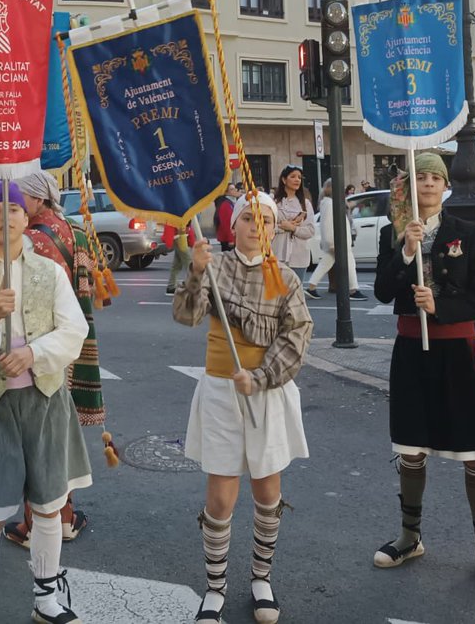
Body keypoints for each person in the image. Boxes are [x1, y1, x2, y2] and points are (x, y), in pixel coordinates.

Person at [371, 152, 475, 596]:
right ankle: (410, 537)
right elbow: (381, 291)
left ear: (445, 185)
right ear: (411, 187)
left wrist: (442, 307)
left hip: (458, 351)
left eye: (435, 176)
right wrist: (407, 252)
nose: (429, 184)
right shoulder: (392, 233)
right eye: (422, 177)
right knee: (411, 449)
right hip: (411, 351)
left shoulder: (466, 234)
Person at [0, 181, 91, 624]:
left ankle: (46, 598)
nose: (6, 218)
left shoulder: (50, 273)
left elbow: (74, 330)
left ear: (25, 217)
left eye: (13, 210)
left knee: (50, 509)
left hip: (46, 401)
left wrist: (33, 354)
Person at [173, 192, 312, 623]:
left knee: (268, 491)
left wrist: (262, 376)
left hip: (266, 392)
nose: (256, 227)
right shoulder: (214, 265)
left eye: (265, 221)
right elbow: (186, 315)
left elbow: (298, 335)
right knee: (220, 497)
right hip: (219, 390)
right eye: (248, 218)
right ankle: (215, 588)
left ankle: (261, 578)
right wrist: (195, 272)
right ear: (234, 225)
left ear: (274, 229)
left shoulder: (285, 277)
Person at [2, 171, 103, 549]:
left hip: (41, 345)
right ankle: (64, 516)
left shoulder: (30, 239)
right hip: (74, 340)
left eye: (18, 200)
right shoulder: (74, 229)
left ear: (37, 199)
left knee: (38, 437)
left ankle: (35, 523)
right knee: (62, 434)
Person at [305, 179, 366, 302]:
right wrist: (331, 242)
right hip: (337, 241)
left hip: (335, 241)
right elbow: (327, 224)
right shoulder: (330, 204)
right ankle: (353, 290)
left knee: (325, 263)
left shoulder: (328, 203)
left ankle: (311, 287)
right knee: (349, 263)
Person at [271, 165, 315, 280]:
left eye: (299, 177)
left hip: (299, 257)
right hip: (277, 254)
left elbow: (310, 231)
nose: (297, 180)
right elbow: (266, 227)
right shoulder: (273, 202)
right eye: (293, 176)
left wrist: (293, 228)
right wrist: (282, 227)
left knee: (296, 293)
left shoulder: (305, 204)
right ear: (284, 179)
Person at [163, 223, 194, 296]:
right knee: (188, 263)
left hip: (178, 236)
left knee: (177, 264)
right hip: (180, 237)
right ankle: (193, 285)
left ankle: (171, 286)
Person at [214, 183, 241, 253]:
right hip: (227, 238)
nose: (235, 190)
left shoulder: (231, 202)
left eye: (235, 188)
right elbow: (227, 223)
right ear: (226, 192)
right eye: (232, 189)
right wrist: (231, 239)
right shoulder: (225, 204)